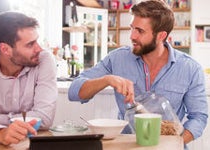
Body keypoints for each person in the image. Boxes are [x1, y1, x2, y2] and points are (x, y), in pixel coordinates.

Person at [68, 0, 208, 145]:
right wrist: (107, 80)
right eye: (132, 28)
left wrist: (174, 144)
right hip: (127, 146)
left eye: (140, 31)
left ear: (161, 36)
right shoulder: (117, 58)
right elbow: (74, 92)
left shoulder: (190, 68)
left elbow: (198, 117)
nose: (132, 36)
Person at [0, 11, 58, 145]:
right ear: (5, 49)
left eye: (37, 41)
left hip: (32, 143)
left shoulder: (44, 60)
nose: (39, 49)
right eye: (30, 44)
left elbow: (45, 118)